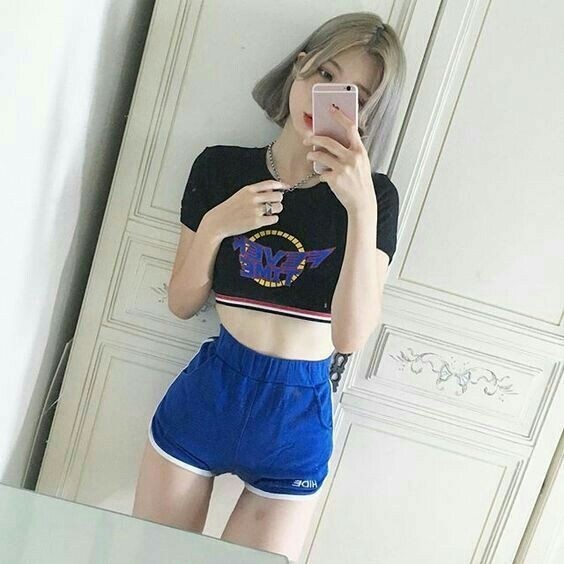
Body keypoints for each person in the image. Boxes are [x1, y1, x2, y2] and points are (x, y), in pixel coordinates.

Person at [132, 11, 406, 563]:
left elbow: (350, 336)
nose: (326, 96)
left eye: (352, 95)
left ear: (367, 114)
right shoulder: (220, 169)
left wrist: (359, 208)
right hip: (211, 391)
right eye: (324, 73)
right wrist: (217, 225)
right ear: (300, 66)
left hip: (296, 414)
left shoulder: (374, 199)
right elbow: (182, 303)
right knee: (148, 558)